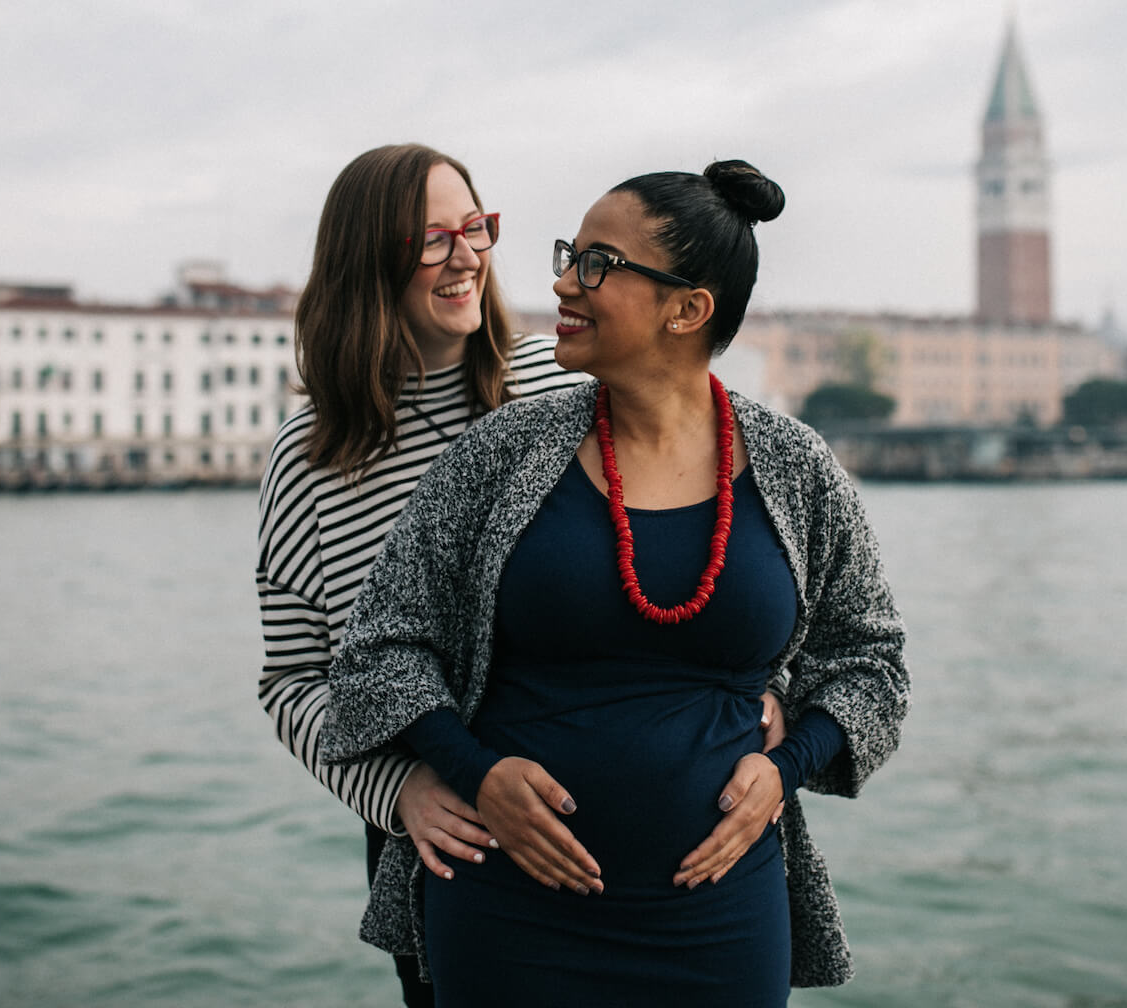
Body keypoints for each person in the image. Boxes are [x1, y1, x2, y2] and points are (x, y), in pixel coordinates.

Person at [323, 159, 910, 1004]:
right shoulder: (499, 456)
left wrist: (791, 767)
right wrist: (473, 769)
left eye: (597, 263)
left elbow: (874, 667)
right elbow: (378, 651)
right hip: (506, 918)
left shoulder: (797, 467)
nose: (564, 280)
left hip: (720, 921)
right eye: (571, 254)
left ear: (686, 308)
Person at [256, 143, 587, 1007]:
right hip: (447, 841)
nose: (468, 256)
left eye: (474, 228)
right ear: (369, 263)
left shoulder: (564, 383)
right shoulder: (310, 455)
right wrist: (395, 789)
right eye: (433, 239)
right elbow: (293, 679)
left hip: (607, 810)